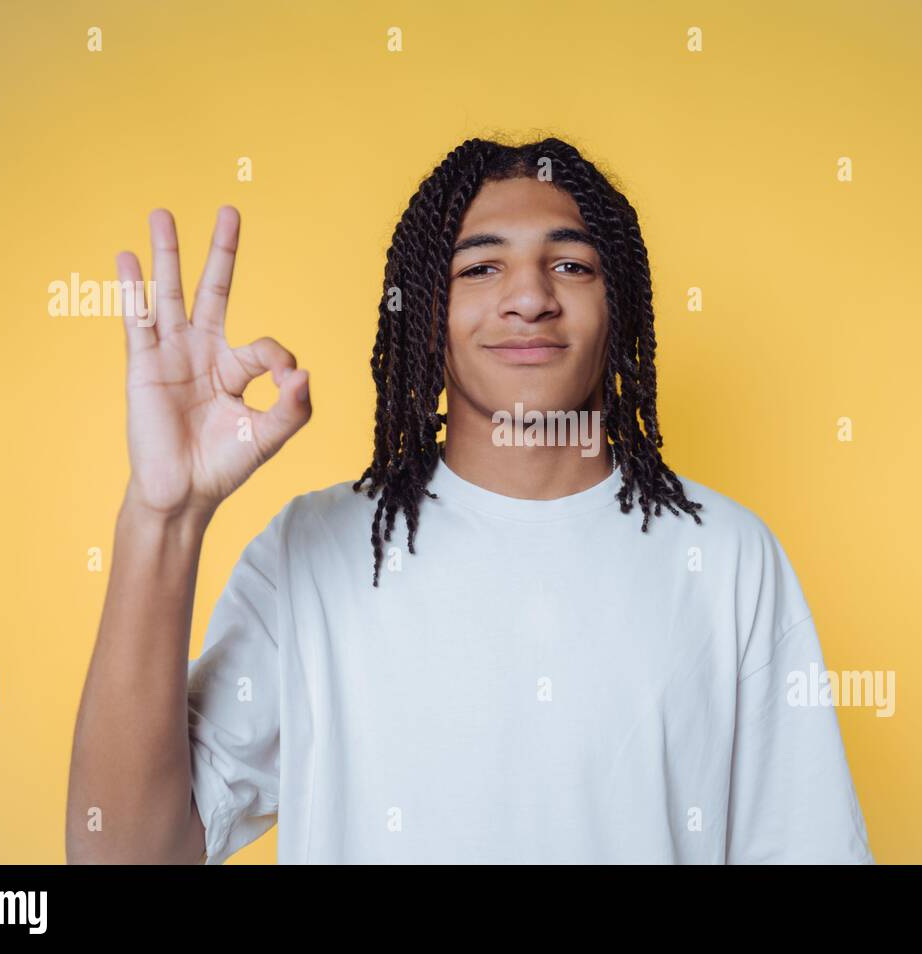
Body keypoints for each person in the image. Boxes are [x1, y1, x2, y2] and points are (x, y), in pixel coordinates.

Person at [65, 136, 875, 864]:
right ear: (423, 317)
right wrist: (162, 515)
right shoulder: (312, 553)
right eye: (480, 267)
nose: (529, 297)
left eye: (571, 264)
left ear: (617, 306)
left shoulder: (727, 556)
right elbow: (121, 856)